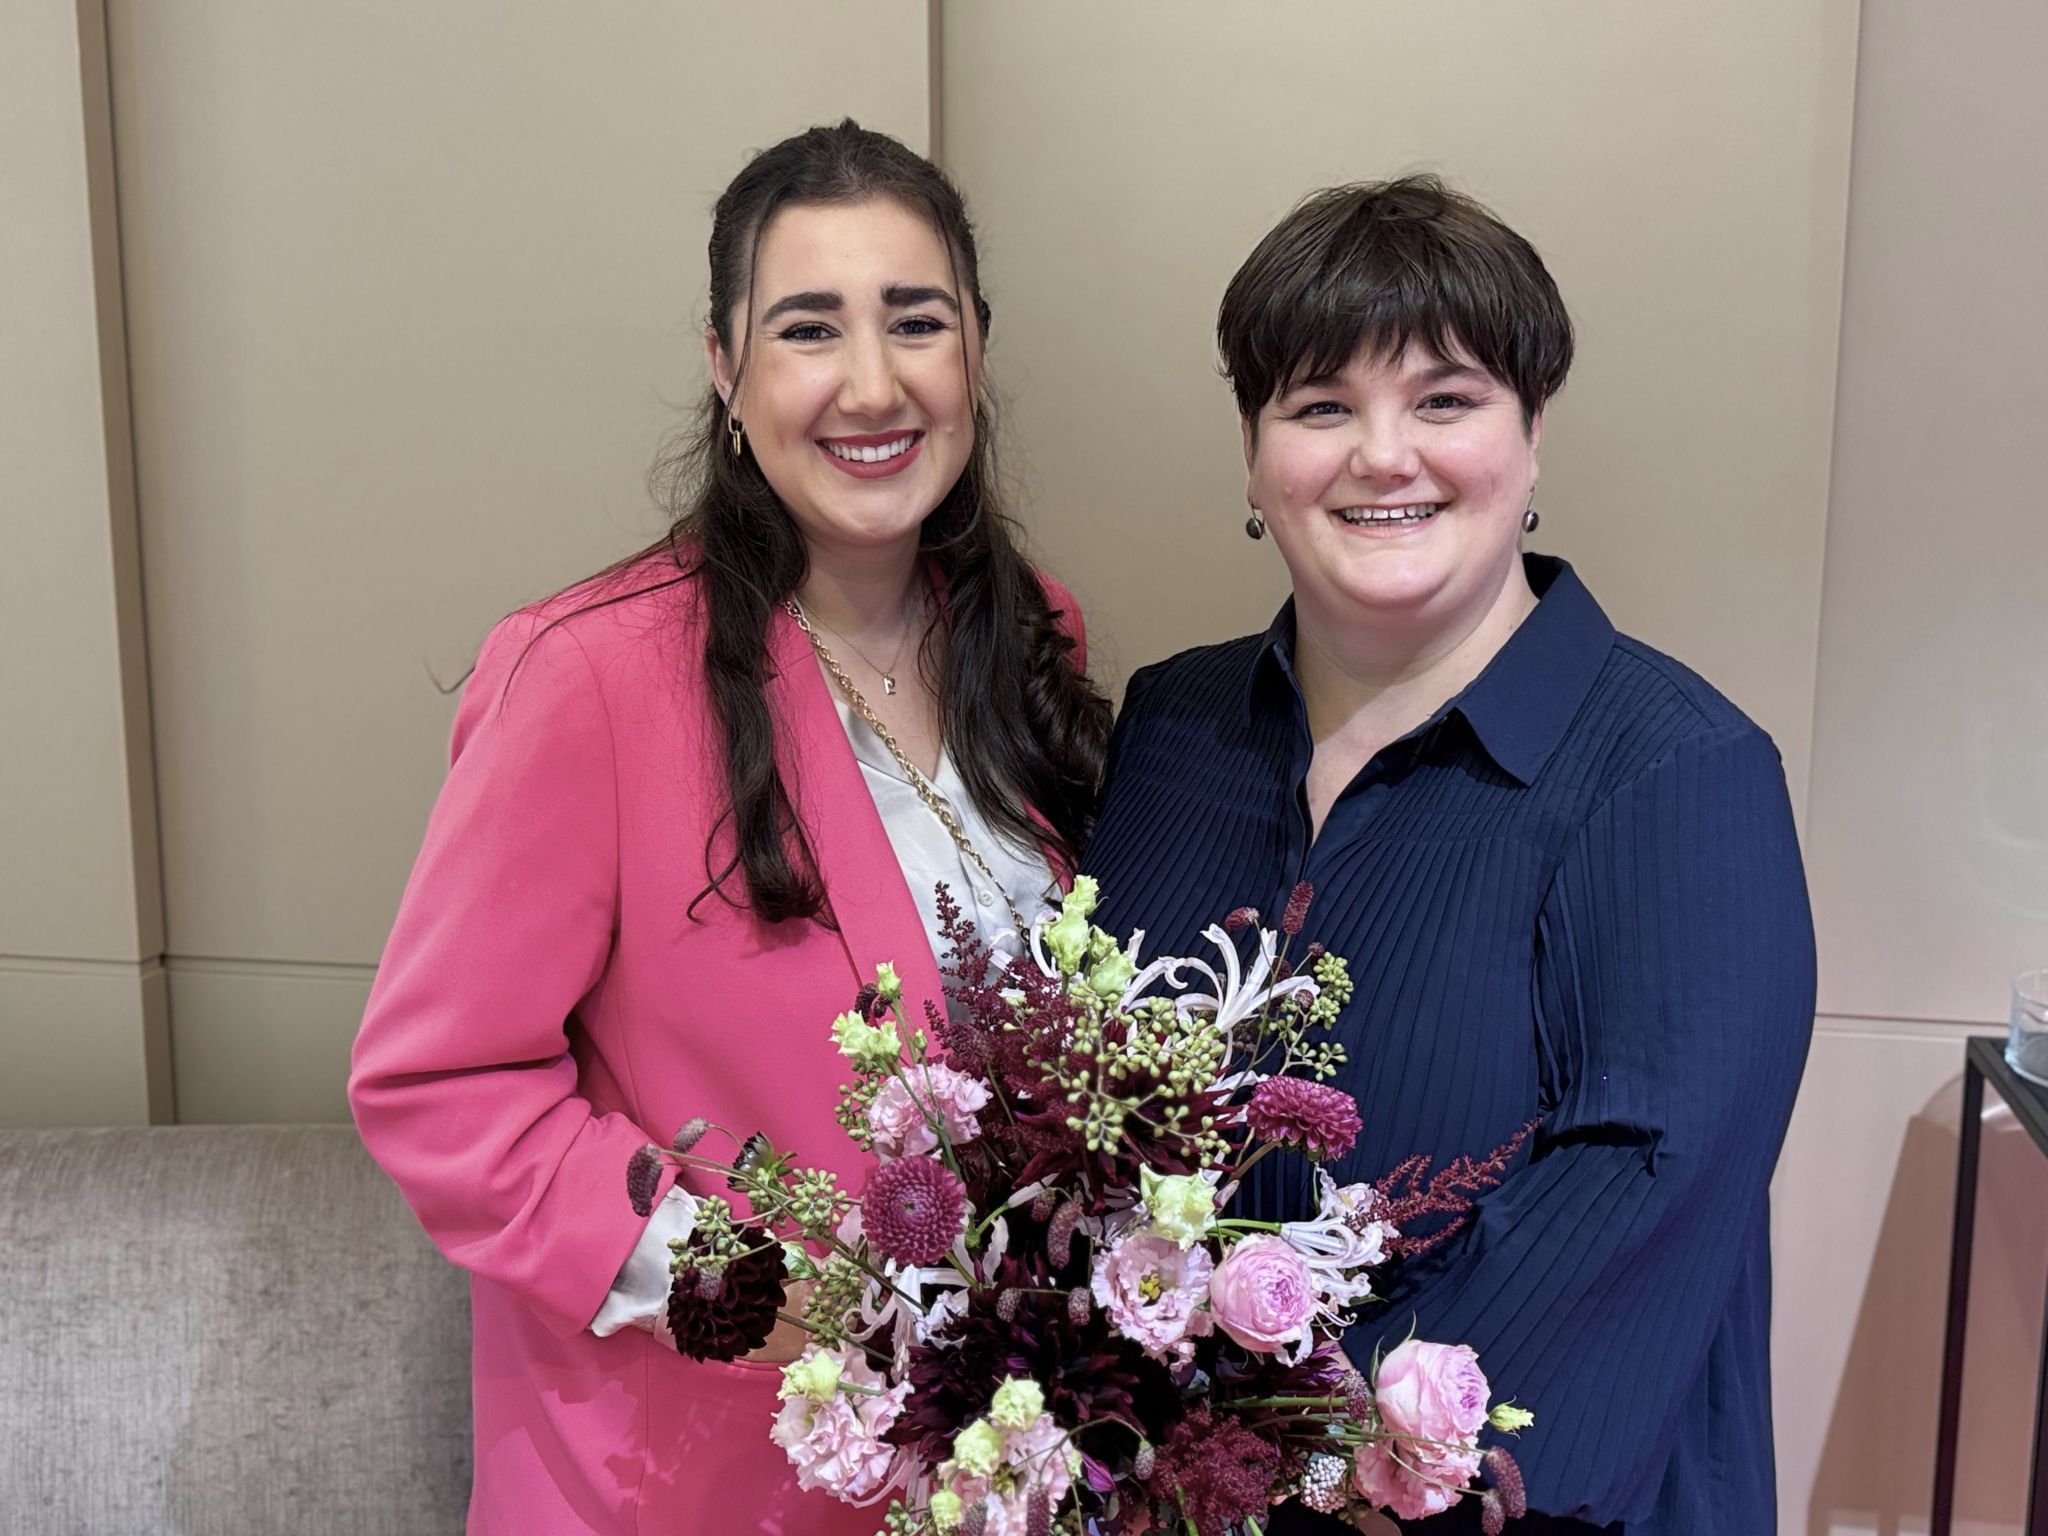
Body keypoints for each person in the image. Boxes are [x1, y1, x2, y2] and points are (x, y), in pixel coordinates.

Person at [349, 120, 1110, 1535]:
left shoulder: (1027, 632)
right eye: (808, 328)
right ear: (725, 365)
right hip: (693, 1482)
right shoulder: (588, 674)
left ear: (976, 351)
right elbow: (439, 1087)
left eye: (917, 321)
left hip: (988, 1473)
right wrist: (753, 1290)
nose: (872, 383)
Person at [1085, 177, 1815, 1533]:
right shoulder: (1172, 724)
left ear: (1531, 436)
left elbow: (1631, 1218)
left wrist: (1279, 1465)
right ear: (1252, 454)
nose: (1384, 455)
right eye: (1320, 406)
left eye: (1445, 399)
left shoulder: (1679, 773)